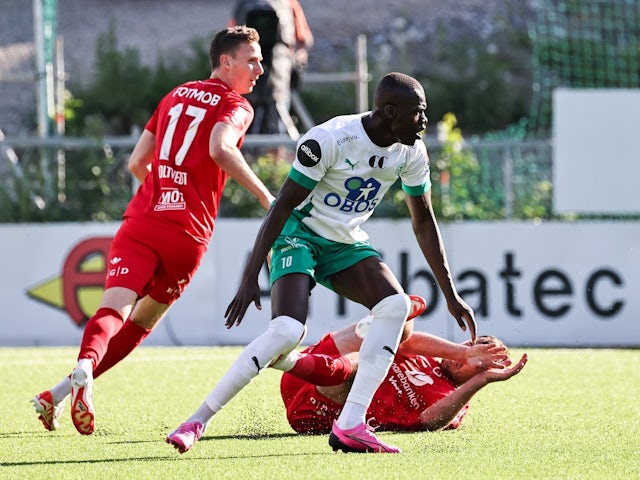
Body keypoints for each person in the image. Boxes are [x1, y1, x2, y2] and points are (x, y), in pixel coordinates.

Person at [166, 72, 477, 454]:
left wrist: (451, 293)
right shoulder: (330, 139)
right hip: (299, 233)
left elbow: (424, 222)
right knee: (286, 332)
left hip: (344, 241)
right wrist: (251, 275)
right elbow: (281, 206)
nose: (424, 121)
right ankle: (197, 420)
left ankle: (350, 424)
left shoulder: (411, 150)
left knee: (395, 307)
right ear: (390, 112)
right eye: (418, 113)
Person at [31, 26, 274, 436]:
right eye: (252, 60)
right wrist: (269, 197)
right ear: (225, 62)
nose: (260, 69)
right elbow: (220, 148)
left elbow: (137, 163)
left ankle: (68, 383)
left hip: (144, 218)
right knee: (142, 322)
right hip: (186, 234)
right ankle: (66, 387)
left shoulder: (173, 96)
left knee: (113, 308)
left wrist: (164, 193)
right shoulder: (235, 105)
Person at [278, 304, 528, 434]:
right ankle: (287, 351)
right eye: (471, 345)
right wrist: (463, 353)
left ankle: (289, 355)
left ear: (479, 373)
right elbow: (407, 340)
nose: (465, 354)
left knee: (373, 356)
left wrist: (483, 380)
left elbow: (429, 421)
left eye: (477, 361)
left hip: (319, 405)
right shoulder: (433, 354)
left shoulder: (454, 402)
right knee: (401, 325)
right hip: (307, 372)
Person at [229, 0, 314, 136]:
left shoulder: (243, 4)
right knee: (278, 127)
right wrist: (296, 60)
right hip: (279, 74)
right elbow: (304, 39)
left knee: (242, 126)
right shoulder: (288, 3)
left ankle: (248, 155)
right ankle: (276, 154)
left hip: (246, 75)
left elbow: (230, 38)